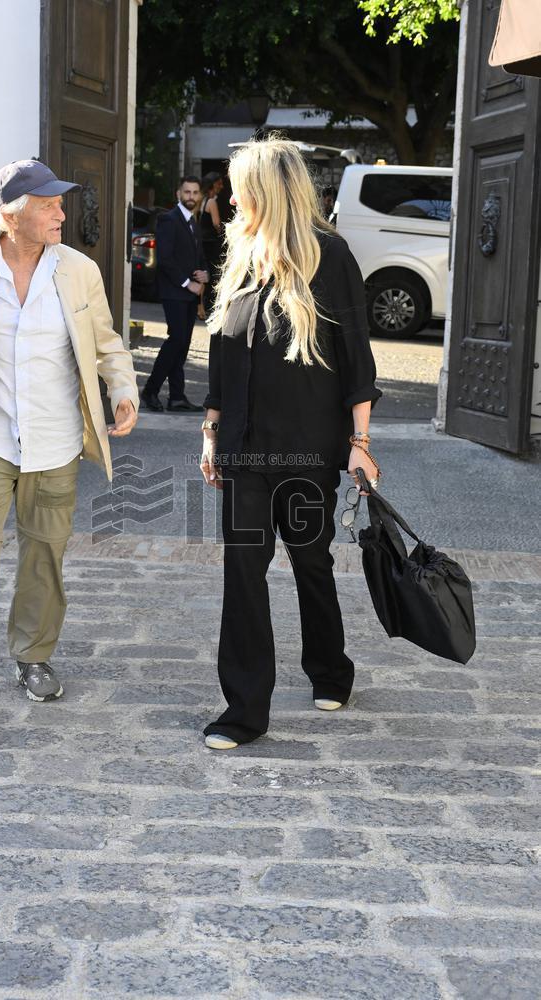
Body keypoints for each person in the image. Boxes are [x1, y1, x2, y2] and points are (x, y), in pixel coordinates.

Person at [0, 159, 139, 747]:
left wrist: (122, 390)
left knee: (44, 557)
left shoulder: (79, 270)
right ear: (12, 213)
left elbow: (107, 341)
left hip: (56, 439)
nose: (62, 213)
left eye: (61, 203)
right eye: (49, 204)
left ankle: (33, 653)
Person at [199, 137, 382, 749]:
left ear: (265, 190)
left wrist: (360, 442)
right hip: (245, 451)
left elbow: (358, 360)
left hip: (307, 451)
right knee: (243, 572)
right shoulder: (241, 256)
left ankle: (330, 669)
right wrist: (210, 431)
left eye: (237, 187)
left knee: (310, 560)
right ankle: (244, 710)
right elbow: (222, 358)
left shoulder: (330, 256)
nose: (229, 198)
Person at [140, 177, 208, 412]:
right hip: (174, 292)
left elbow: (197, 257)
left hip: (189, 294)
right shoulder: (168, 219)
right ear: (179, 193)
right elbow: (165, 259)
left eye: (195, 192)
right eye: (187, 191)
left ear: (199, 196)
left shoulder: (193, 222)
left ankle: (177, 397)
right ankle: (150, 391)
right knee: (176, 341)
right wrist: (187, 283)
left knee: (183, 345)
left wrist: (204, 273)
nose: (191, 196)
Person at [197, 171, 224, 318]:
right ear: (214, 184)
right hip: (210, 243)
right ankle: (206, 307)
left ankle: (199, 308)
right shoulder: (212, 202)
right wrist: (222, 231)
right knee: (211, 276)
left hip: (201, 242)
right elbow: (216, 223)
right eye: (220, 183)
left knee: (202, 274)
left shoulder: (201, 200)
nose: (222, 186)